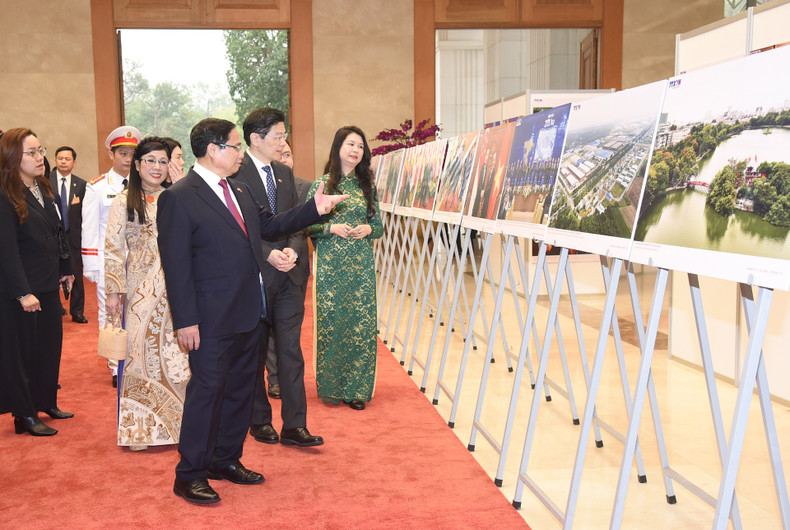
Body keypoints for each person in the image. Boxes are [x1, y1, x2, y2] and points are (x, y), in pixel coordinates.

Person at [157, 118, 346, 505]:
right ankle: (189, 472)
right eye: (234, 146)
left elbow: (273, 225)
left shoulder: (239, 188)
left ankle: (225, 459)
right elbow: (176, 266)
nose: (240, 153)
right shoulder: (180, 196)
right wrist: (186, 321)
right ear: (213, 150)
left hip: (249, 311)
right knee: (206, 394)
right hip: (208, 319)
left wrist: (316, 208)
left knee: (241, 391)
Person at [230, 108, 322, 448]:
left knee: (291, 352)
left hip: (288, 277)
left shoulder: (284, 173)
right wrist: (268, 252)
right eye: (278, 137)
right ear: (255, 139)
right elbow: (238, 226)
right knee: (253, 353)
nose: (284, 143)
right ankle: (259, 420)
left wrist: (293, 252)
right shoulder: (236, 175)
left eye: (284, 136)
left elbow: (296, 222)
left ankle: (295, 426)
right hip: (253, 277)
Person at [104, 137, 190, 451]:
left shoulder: (176, 198)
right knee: (141, 361)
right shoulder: (124, 200)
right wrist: (114, 294)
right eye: (150, 161)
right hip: (140, 295)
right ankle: (139, 432)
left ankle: (178, 428)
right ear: (138, 165)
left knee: (176, 360)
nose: (156, 167)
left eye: (162, 161)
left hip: (177, 292)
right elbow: (114, 251)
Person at [0, 128, 74, 436]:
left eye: (40, 150)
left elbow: (58, 231)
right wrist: (23, 293)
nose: (40, 157)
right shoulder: (5, 194)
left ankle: (46, 400)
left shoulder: (42, 187)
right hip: (21, 290)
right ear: (13, 158)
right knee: (23, 353)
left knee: (48, 347)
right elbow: (6, 249)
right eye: (32, 153)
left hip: (47, 283)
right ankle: (24, 414)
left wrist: (66, 267)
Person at [306, 126, 383, 411]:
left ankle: (357, 390)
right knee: (333, 323)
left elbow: (379, 227)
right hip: (330, 265)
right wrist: (330, 227)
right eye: (350, 144)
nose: (355, 150)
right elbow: (307, 225)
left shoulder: (367, 187)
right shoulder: (322, 185)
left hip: (361, 265)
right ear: (338, 147)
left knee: (361, 325)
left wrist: (367, 228)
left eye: (360, 146)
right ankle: (332, 388)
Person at [82, 126, 142, 387]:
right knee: (111, 314)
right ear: (111, 155)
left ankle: (136, 361)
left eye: (132, 154)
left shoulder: (145, 184)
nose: (128, 159)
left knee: (139, 311)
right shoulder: (97, 188)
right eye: (122, 153)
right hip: (110, 263)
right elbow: (89, 228)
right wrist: (93, 267)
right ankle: (116, 366)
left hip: (140, 262)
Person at [50, 146, 88, 323]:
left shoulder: (81, 184)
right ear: (55, 160)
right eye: (60, 158)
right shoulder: (45, 181)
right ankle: (55, 308)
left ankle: (77, 311)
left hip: (73, 237)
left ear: (74, 162)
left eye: (67, 159)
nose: (63, 161)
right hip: (52, 236)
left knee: (77, 275)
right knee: (52, 272)